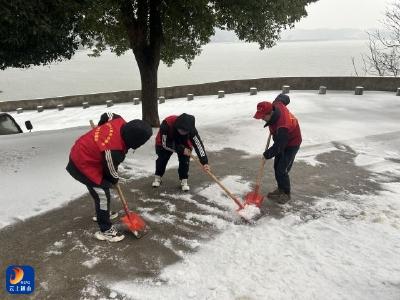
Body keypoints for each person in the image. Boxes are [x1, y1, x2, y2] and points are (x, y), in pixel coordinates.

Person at [66, 113, 152, 242]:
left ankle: (102, 213)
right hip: (82, 163)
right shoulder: (113, 150)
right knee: (102, 195)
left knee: (103, 191)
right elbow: (111, 172)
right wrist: (115, 180)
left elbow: (108, 115)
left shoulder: (119, 121)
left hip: (87, 152)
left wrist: (101, 128)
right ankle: (105, 230)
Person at [253, 94, 302, 204]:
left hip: (292, 142)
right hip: (281, 139)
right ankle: (280, 189)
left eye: (263, 117)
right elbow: (283, 98)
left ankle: (286, 193)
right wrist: (285, 98)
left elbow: (280, 146)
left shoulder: (282, 125)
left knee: (282, 169)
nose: (261, 119)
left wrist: (267, 154)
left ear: (270, 113)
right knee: (277, 166)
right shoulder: (276, 104)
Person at [152, 113, 210, 191]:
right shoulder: (167, 123)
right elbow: (165, 143)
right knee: (163, 158)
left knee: (185, 160)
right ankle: (158, 177)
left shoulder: (191, 129)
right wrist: (181, 149)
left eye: (185, 131)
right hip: (165, 141)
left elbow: (198, 145)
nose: (182, 132)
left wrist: (204, 162)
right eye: (181, 130)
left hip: (183, 142)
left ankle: (184, 180)